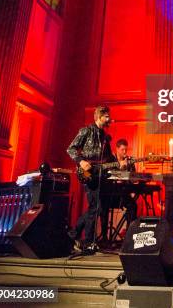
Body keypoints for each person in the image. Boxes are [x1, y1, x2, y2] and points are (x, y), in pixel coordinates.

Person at [67, 105, 113, 252]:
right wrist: (81, 161)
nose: (109, 119)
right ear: (99, 117)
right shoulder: (86, 130)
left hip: (99, 174)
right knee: (95, 207)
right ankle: (87, 241)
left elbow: (109, 157)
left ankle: (74, 234)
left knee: (95, 207)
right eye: (107, 116)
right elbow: (71, 149)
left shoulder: (104, 136)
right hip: (86, 173)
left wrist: (121, 164)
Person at [112, 138, 138, 226]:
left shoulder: (129, 160)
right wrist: (121, 168)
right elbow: (111, 176)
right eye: (122, 149)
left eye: (126, 149)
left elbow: (133, 176)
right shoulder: (111, 159)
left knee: (133, 206)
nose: (124, 152)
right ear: (117, 149)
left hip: (125, 192)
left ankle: (129, 232)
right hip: (112, 193)